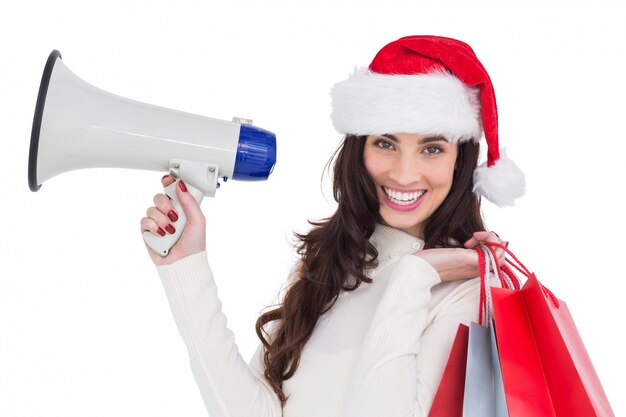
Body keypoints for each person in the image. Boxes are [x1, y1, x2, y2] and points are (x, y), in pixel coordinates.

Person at [139, 35, 525, 417]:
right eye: (386, 143)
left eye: (432, 148)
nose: (404, 174)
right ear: (359, 150)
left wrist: (416, 274)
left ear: (461, 162)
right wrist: (184, 266)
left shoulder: (469, 292)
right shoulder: (334, 261)